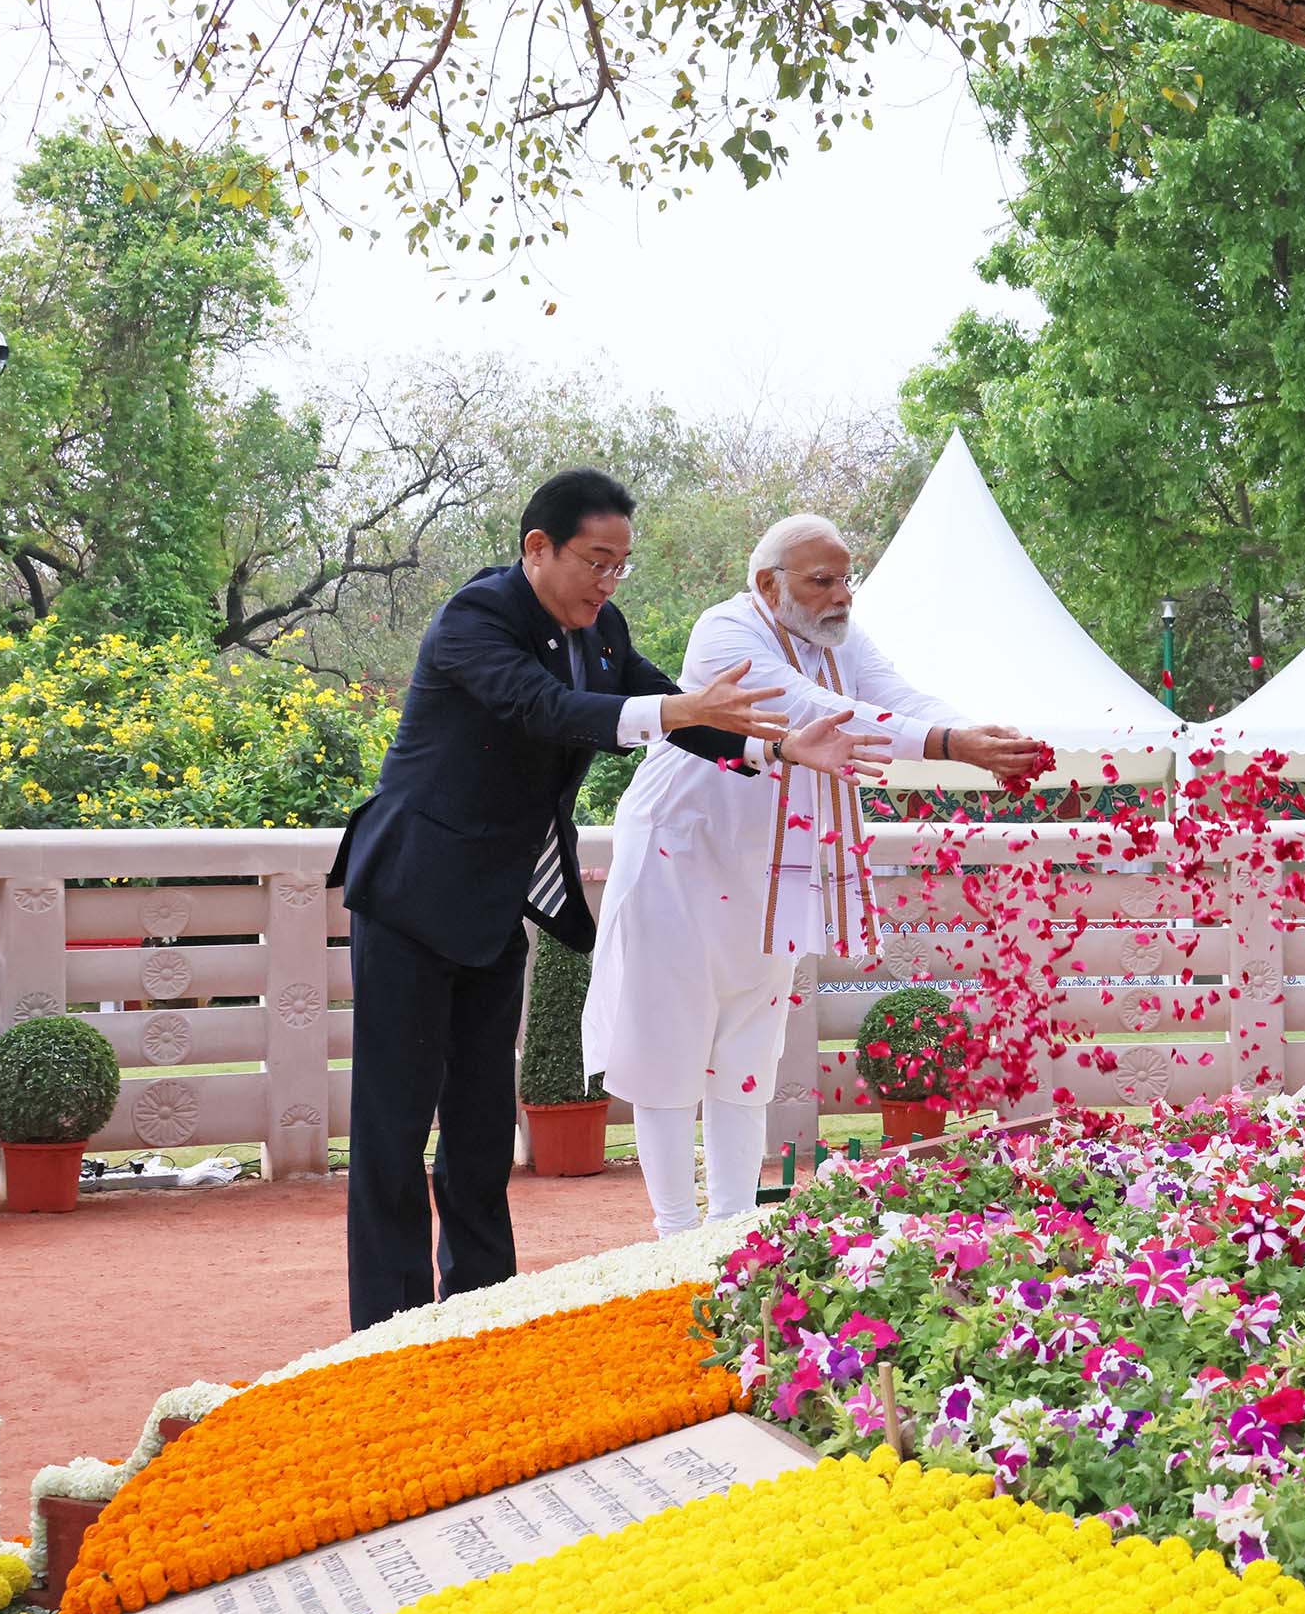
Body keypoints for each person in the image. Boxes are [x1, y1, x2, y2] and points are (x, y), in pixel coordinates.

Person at [329, 470, 883, 1330]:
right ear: (537, 548)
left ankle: (478, 1310)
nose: (608, 582)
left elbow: (690, 720)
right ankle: (389, 1327)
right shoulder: (477, 619)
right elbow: (550, 709)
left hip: (494, 904)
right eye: (596, 560)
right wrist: (669, 709)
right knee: (395, 1131)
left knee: (480, 1128)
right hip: (408, 894)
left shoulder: (603, 630)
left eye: (621, 565)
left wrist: (780, 754)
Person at [582, 513, 1047, 1236]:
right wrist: (947, 743)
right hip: (680, 856)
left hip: (770, 868)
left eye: (846, 579)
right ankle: (673, 1234)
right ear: (769, 584)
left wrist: (976, 738)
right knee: (667, 1045)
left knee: (745, 1049)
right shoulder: (724, 632)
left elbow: (897, 698)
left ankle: (734, 1224)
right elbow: (813, 714)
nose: (842, 595)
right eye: (821, 580)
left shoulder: (840, 638)